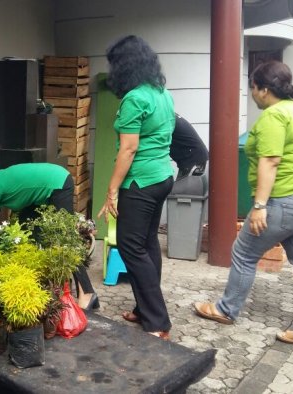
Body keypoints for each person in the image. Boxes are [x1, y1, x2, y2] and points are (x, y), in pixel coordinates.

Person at [193, 61, 293, 347]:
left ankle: (225, 310)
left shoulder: (274, 117)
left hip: (287, 200)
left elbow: (270, 161)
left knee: (243, 251)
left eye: (253, 87)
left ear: (264, 90)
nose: (252, 93)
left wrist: (259, 206)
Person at [96, 35, 175, 340]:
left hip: (140, 182)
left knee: (130, 247)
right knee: (147, 244)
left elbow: (128, 150)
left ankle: (157, 321)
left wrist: (111, 190)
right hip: (161, 178)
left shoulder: (134, 98)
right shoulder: (161, 93)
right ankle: (145, 310)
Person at [0, 160, 99, 310]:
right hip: (40, 191)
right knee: (26, 227)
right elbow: (3, 221)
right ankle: (41, 282)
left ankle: (88, 292)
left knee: (64, 239)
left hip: (57, 182)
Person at [170, 113, 208, 179]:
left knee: (181, 188)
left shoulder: (165, 119)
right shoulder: (170, 115)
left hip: (193, 160)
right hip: (197, 157)